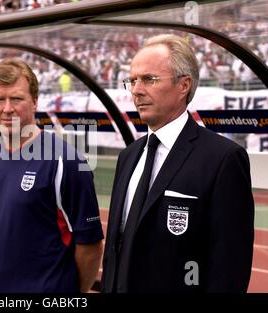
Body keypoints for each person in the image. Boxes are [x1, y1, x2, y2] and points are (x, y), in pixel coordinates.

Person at [101, 34, 254, 293]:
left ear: (184, 85)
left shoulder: (223, 159)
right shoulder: (129, 156)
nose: (136, 90)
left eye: (149, 79)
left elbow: (229, 268)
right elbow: (116, 249)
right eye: (133, 80)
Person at [0, 58, 104, 292]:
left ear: (34, 101)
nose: (7, 108)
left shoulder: (66, 160)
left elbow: (90, 246)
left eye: (16, 98)